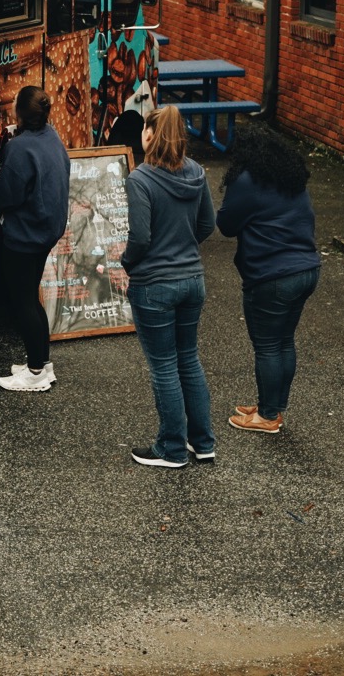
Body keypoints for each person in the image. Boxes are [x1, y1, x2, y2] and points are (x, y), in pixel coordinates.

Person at [121, 103, 216, 467]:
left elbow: (140, 238)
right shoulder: (196, 172)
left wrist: (127, 262)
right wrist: (183, 248)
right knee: (188, 360)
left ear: (150, 134)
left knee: (163, 366)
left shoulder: (141, 179)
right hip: (193, 280)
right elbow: (207, 224)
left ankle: (172, 449)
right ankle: (202, 442)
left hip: (154, 286)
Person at [217, 126, 321, 435]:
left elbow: (226, 225)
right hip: (307, 270)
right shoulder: (291, 179)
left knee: (267, 346)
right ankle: (271, 406)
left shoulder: (247, 181)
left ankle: (267, 415)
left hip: (272, 276)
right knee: (283, 341)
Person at [0, 85, 71, 391]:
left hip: (25, 233)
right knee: (30, 298)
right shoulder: (52, 137)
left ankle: (35, 372)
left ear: (19, 114)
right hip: (48, 228)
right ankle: (42, 364)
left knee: (23, 302)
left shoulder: (20, 148)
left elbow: (7, 194)